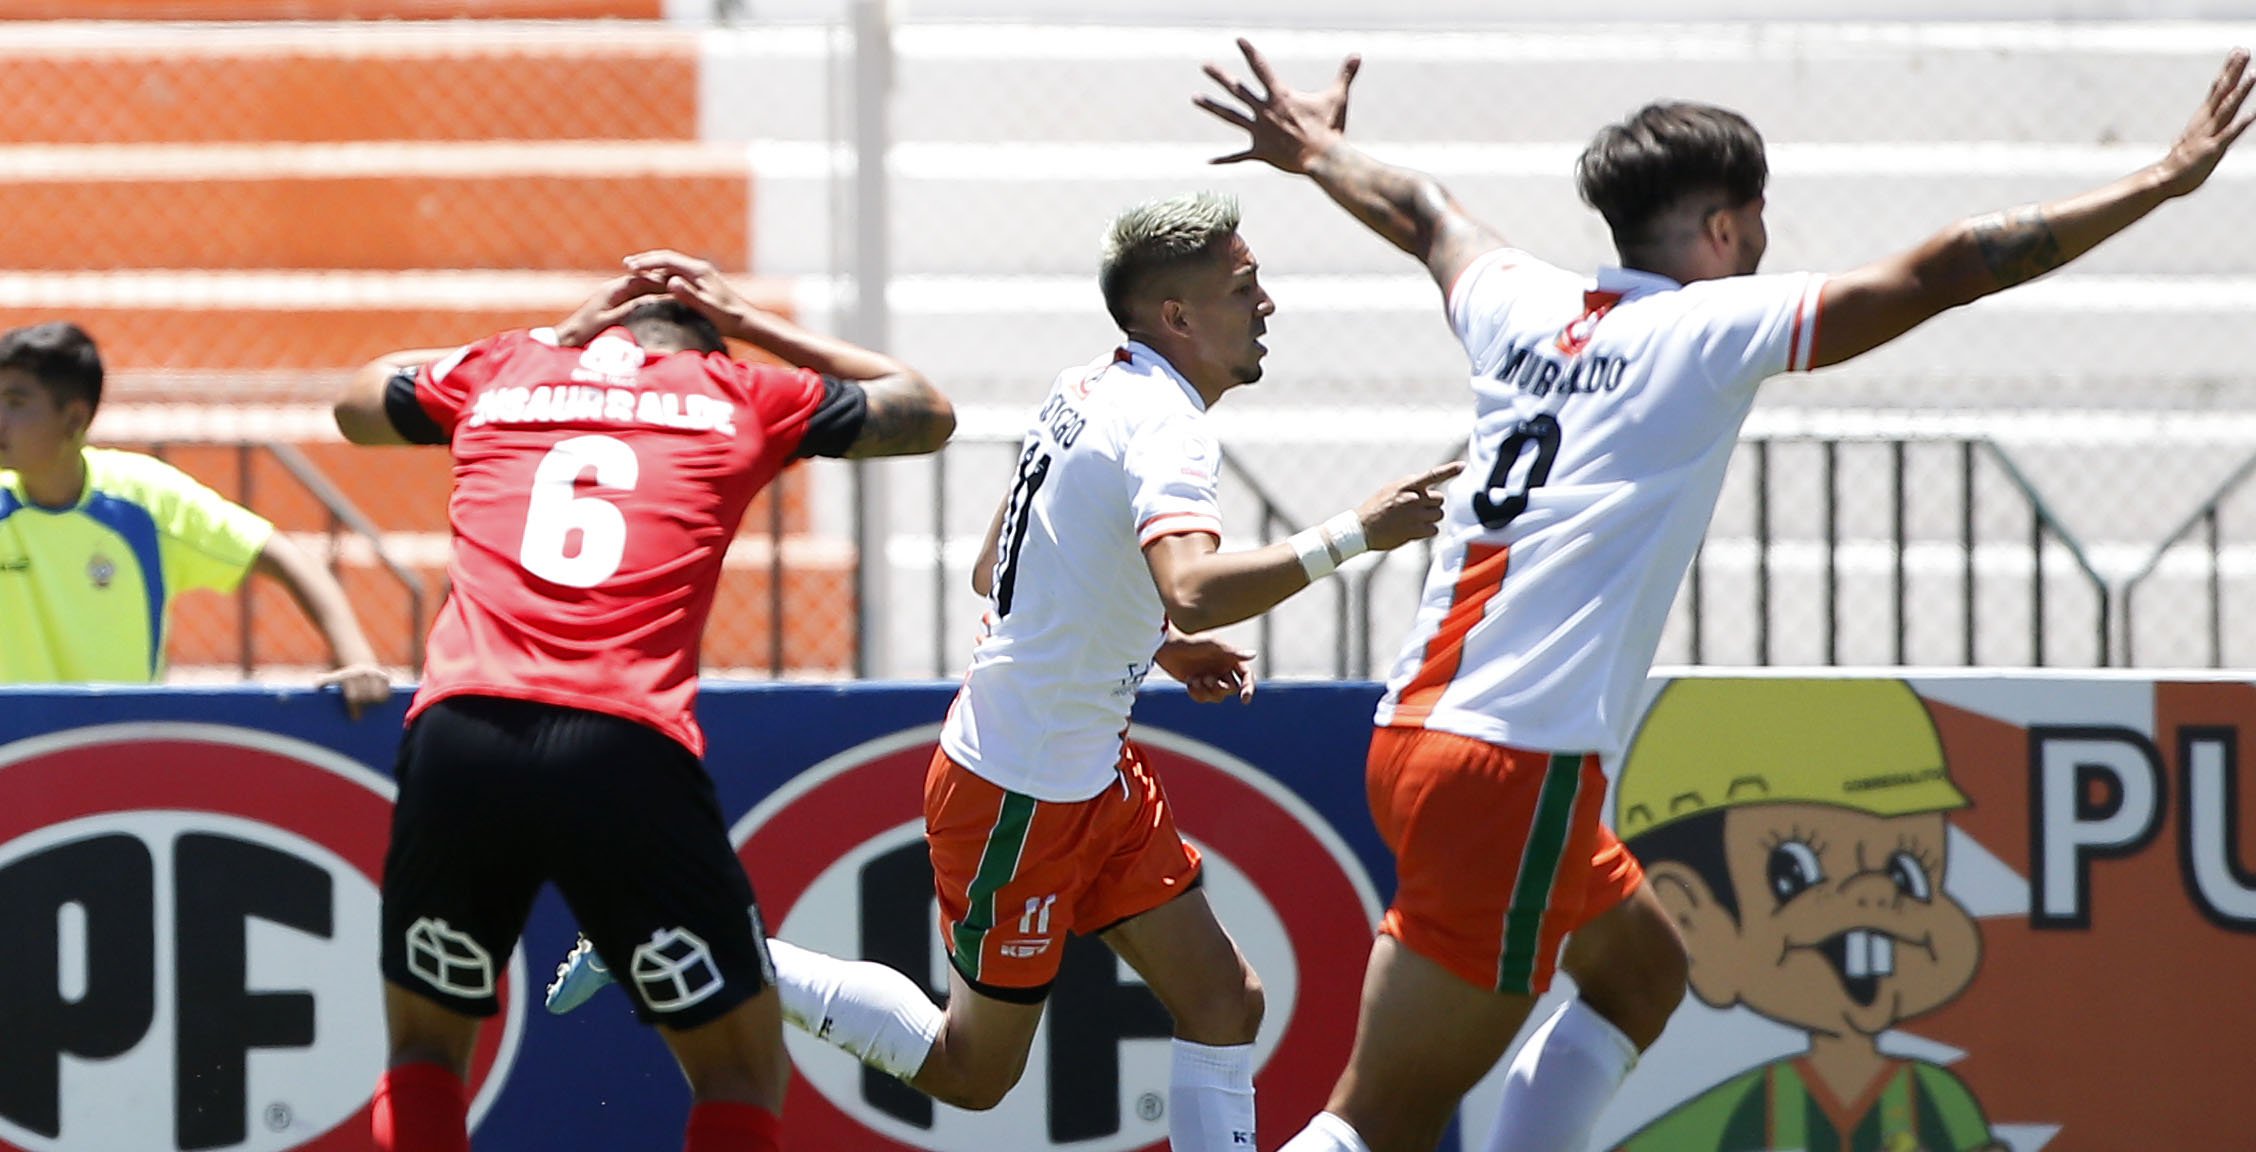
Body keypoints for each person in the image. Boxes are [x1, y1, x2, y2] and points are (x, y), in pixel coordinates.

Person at [1196, 37, 2253, 1152]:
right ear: (1723, 228)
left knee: (1642, 974)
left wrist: (1317, 149)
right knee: (1381, 1120)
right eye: (1758, 218)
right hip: (1517, 763)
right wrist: (2163, 179)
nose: (1764, 243)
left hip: (1420, 729)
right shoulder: (1708, 331)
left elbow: (1421, 212)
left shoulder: (1517, 302)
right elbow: (1949, 268)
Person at [548, 192, 1459, 1152]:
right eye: (1245, 287)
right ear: (1177, 317)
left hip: (1086, 769)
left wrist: (1145, 639)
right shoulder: (1166, 427)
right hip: (1019, 791)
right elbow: (1189, 586)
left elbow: (1003, 569)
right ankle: (671, 944)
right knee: (971, 1071)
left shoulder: (1088, 387)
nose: (1267, 303)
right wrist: (1360, 531)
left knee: (1225, 1001)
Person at [332, 250, 955, 1152]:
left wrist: (559, 334)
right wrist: (754, 324)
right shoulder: (739, 390)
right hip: (622, 744)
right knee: (738, 1068)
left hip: (463, 731)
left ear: (600, 334)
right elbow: (926, 411)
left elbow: (359, 401)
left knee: (426, 1053)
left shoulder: (509, 369)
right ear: (708, 343)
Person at [0, 320, 390, 715]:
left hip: (118, 746)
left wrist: (357, 661)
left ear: (73, 419)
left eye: (15, 403)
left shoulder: (146, 500)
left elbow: (289, 559)